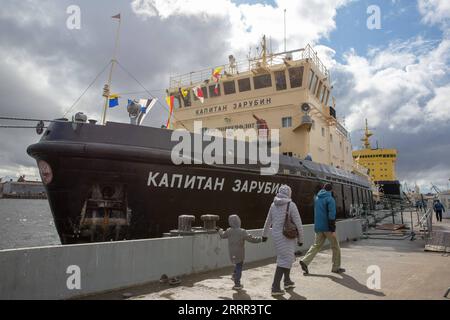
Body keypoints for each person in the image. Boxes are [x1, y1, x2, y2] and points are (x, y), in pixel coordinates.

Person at [262, 185, 304, 296]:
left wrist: (264, 235)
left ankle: (287, 281)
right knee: (285, 259)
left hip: (276, 236)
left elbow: (268, 221)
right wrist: (301, 239)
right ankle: (275, 287)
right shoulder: (291, 205)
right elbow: (298, 223)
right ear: (289, 193)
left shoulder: (273, 204)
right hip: (287, 236)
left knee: (286, 258)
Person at [299, 183, 345, 275]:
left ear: (323, 189)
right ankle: (336, 267)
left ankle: (305, 261)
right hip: (328, 227)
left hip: (318, 227)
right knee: (335, 246)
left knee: (316, 246)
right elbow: (331, 215)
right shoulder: (330, 199)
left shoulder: (317, 198)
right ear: (331, 190)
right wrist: (332, 230)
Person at [219, 215, 262, 290]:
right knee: (239, 266)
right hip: (240, 253)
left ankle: (234, 276)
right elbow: (251, 239)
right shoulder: (242, 231)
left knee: (236, 264)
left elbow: (222, 235)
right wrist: (260, 239)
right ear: (238, 221)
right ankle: (237, 284)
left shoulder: (228, 230)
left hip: (231, 252)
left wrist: (220, 231)